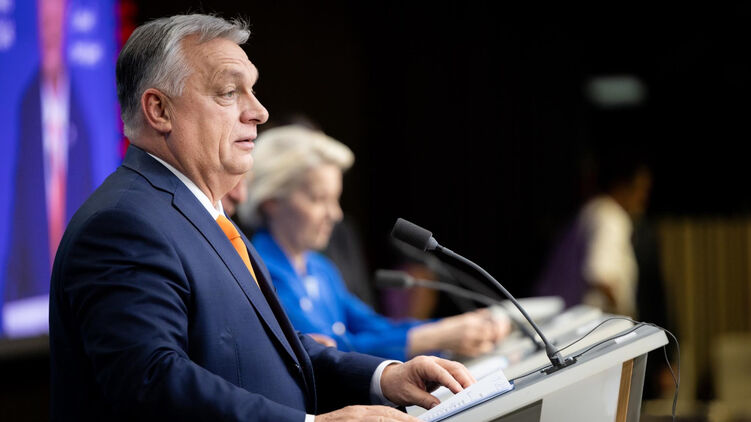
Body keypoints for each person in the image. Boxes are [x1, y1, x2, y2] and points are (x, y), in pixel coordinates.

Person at [49, 14, 477, 421]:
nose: (259, 111)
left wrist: (382, 377)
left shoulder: (203, 214)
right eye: (228, 92)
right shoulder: (124, 224)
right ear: (159, 110)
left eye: (252, 90)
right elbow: (152, 382)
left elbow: (277, 352)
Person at [239, 124, 511, 361]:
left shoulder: (320, 267)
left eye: (336, 199)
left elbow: (374, 327)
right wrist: (437, 336)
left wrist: (456, 328)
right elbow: (332, 353)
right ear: (271, 201)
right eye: (319, 199)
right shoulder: (259, 275)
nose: (335, 215)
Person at [3, 0, 92, 336]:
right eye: (45, 24)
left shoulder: (82, 109)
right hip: (32, 298)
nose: (51, 33)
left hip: (82, 291)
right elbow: (18, 208)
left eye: (57, 23)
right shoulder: (27, 104)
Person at [534, 150, 653, 318]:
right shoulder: (610, 217)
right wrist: (626, 317)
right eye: (641, 190)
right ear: (622, 187)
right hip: (584, 324)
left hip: (560, 318)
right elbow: (599, 273)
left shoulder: (593, 210)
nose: (643, 198)